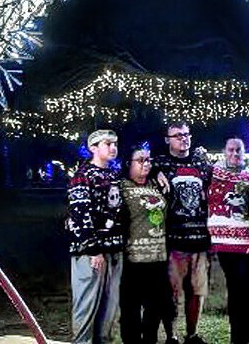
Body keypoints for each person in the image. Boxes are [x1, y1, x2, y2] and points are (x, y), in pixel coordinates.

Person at [152, 122, 214, 344]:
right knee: (172, 293)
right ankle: (171, 336)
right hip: (173, 242)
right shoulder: (159, 162)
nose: (183, 139)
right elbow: (129, 165)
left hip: (200, 240)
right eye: (177, 135)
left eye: (186, 134)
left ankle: (192, 334)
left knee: (197, 291)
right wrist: (154, 170)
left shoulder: (202, 164)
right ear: (167, 139)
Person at [207, 138, 249, 344]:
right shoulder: (214, 173)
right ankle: (237, 337)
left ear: (244, 152)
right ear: (224, 151)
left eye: (238, 150)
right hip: (223, 243)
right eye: (231, 150)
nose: (234, 154)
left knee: (247, 289)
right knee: (234, 290)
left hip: (246, 244)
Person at [67, 130, 126, 344]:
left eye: (115, 144)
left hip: (114, 250)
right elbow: (80, 214)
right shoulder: (82, 176)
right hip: (91, 253)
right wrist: (93, 249)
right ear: (93, 147)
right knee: (87, 305)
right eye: (107, 143)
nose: (113, 148)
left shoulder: (114, 176)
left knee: (109, 309)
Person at [120, 144, 175, 344]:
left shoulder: (155, 183)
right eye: (140, 160)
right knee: (131, 309)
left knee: (155, 308)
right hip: (133, 259)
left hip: (158, 257)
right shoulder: (121, 186)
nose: (146, 164)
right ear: (128, 163)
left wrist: (158, 170)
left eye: (148, 160)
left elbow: (170, 159)